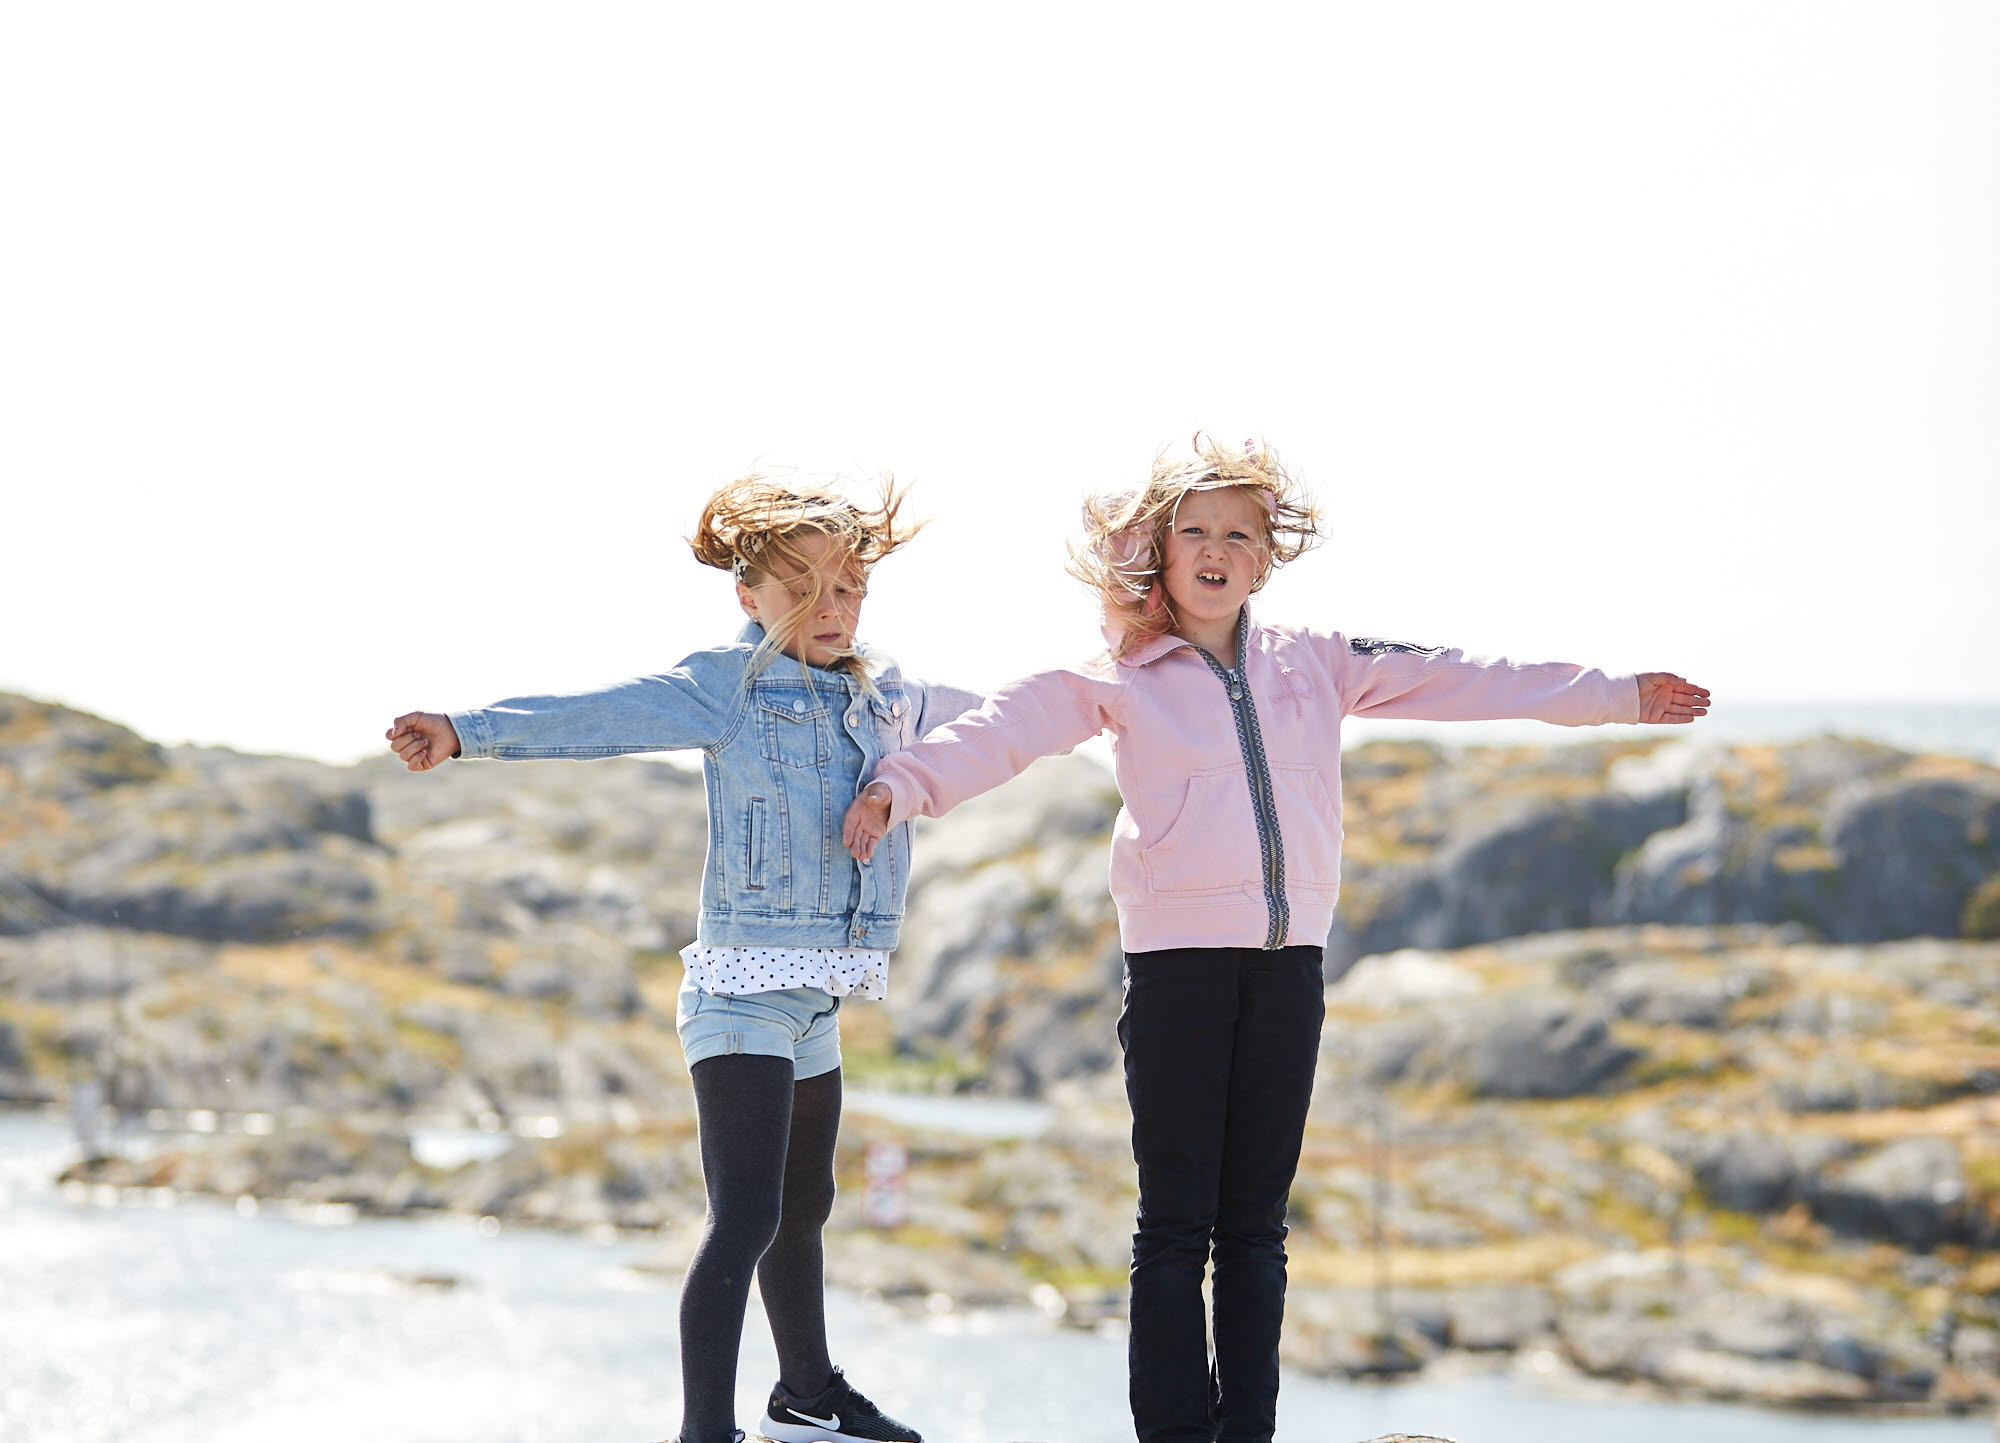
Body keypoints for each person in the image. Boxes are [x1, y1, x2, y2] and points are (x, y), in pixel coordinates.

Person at [842, 436, 1709, 1443]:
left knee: (1255, 1230)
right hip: (1175, 976)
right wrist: (898, 788)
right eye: (1193, 533)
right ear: (1160, 554)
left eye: (1237, 536)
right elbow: (997, 731)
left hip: (1287, 968)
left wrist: (1611, 696)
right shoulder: (1117, 676)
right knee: (1174, 1228)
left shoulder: (1319, 662)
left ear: (1266, 556)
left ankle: (1244, 1432)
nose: (1214, 551)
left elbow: (1467, 678)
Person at [387, 474, 976, 1443]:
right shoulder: (728, 686)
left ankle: (806, 1389)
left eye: (849, 588)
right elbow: (603, 714)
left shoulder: (885, 692)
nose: (833, 611)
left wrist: (1123, 705)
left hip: (815, 999)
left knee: (806, 1203)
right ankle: (705, 1432)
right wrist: (466, 732)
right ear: (750, 596)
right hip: (739, 996)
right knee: (744, 1216)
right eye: (806, 589)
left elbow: (1003, 724)